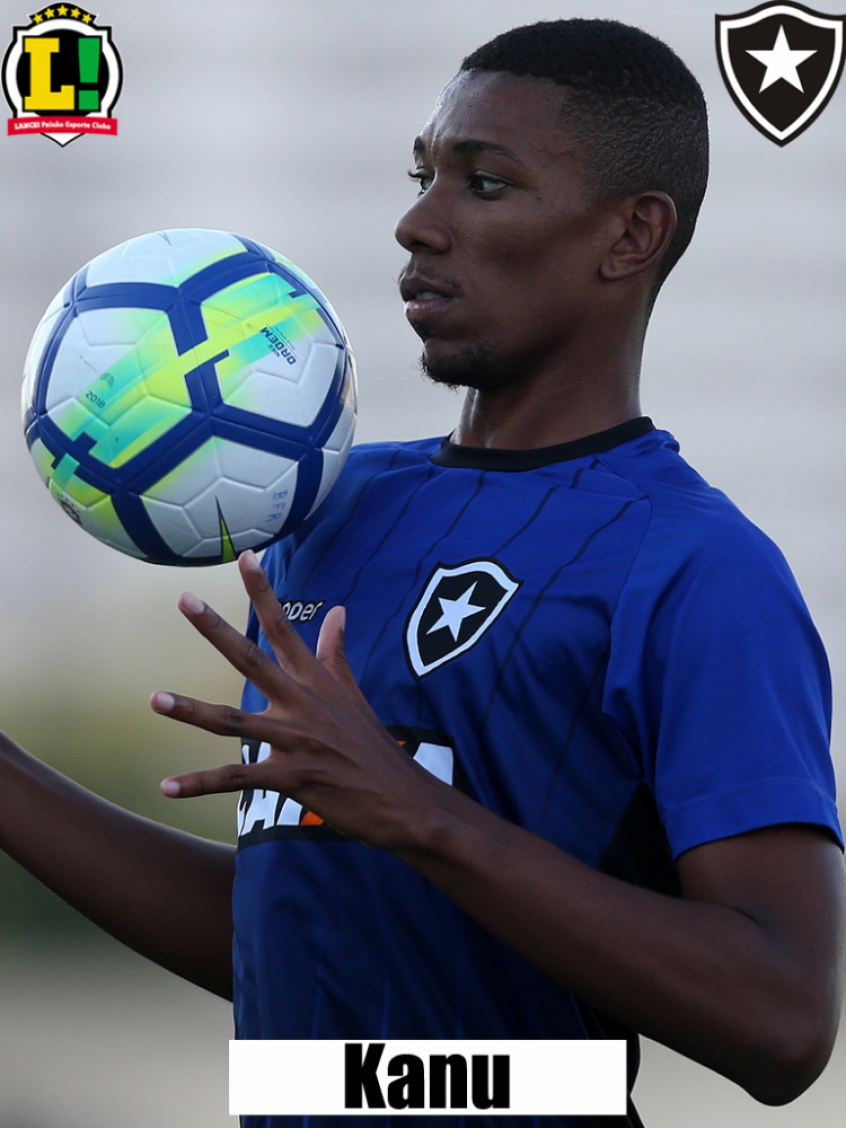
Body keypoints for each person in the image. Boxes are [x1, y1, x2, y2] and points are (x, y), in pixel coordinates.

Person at [0, 17, 843, 1128]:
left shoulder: (697, 569)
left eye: (484, 184)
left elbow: (784, 1023)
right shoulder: (327, 513)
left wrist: (418, 810)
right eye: (423, 174)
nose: (416, 222)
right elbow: (298, 947)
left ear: (631, 234)